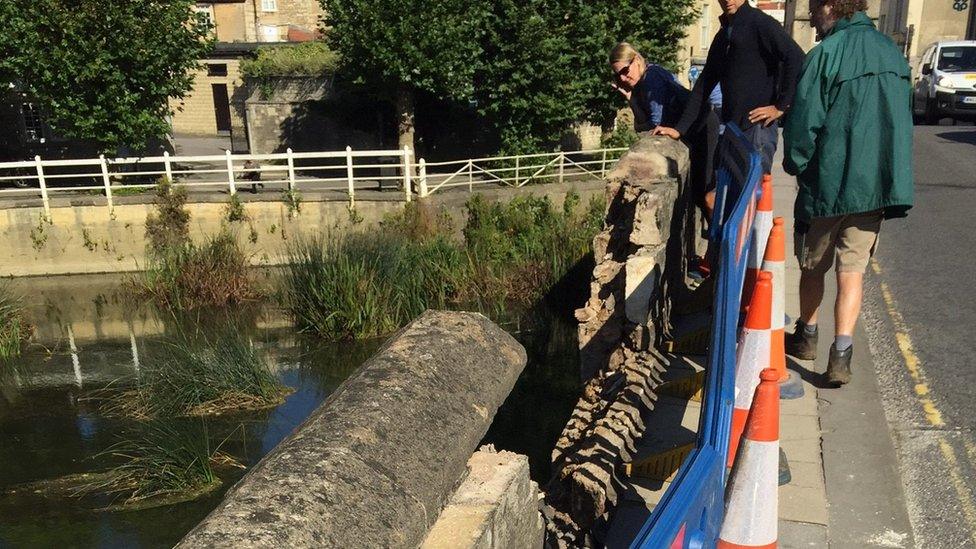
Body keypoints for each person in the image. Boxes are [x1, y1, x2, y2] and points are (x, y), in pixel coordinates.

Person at [782, 0, 913, 386]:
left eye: (812, 9)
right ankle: (841, 355)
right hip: (873, 187)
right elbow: (902, 120)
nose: (811, 18)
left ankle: (807, 337)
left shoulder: (826, 54)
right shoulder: (893, 53)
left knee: (812, 266)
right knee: (852, 271)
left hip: (827, 184)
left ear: (829, 6)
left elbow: (804, 122)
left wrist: (796, 164)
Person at [651, 0, 804, 175]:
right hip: (733, 129)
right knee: (730, 196)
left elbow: (795, 57)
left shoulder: (760, 23)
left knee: (753, 197)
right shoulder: (724, 34)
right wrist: (679, 129)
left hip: (756, 130)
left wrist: (780, 106)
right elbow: (704, 84)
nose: (728, 0)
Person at [609, 43, 720, 219]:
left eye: (624, 70)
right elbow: (644, 126)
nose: (622, 78)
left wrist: (635, 103)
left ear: (636, 60)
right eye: (617, 75)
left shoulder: (651, 80)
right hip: (698, 127)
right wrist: (630, 98)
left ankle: (721, 238)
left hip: (703, 127)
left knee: (706, 193)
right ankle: (717, 235)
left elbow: (652, 126)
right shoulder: (652, 71)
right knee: (700, 192)